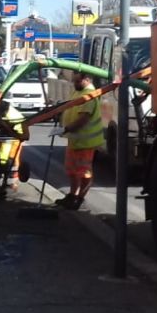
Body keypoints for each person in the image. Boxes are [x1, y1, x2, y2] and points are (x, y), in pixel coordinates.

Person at [55, 72, 104, 210]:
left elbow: (83, 119)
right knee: (72, 170)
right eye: (73, 81)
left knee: (83, 172)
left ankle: (79, 199)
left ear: (86, 79)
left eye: (77, 81)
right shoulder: (78, 91)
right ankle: (72, 195)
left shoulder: (89, 95)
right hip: (75, 140)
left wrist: (66, 129)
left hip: (85, 142)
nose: (74, 84)